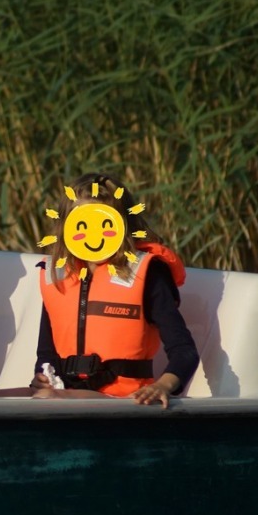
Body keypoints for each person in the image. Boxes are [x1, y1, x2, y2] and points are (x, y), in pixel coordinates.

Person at [33, 172, 197, 406]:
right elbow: (46, 356)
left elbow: (185, 351)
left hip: (124, 400)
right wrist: (42, 377)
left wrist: (162, 386)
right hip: (62, 395)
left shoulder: (147, 273)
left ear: (122, 225)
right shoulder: (57, 274)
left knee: (45, 399)